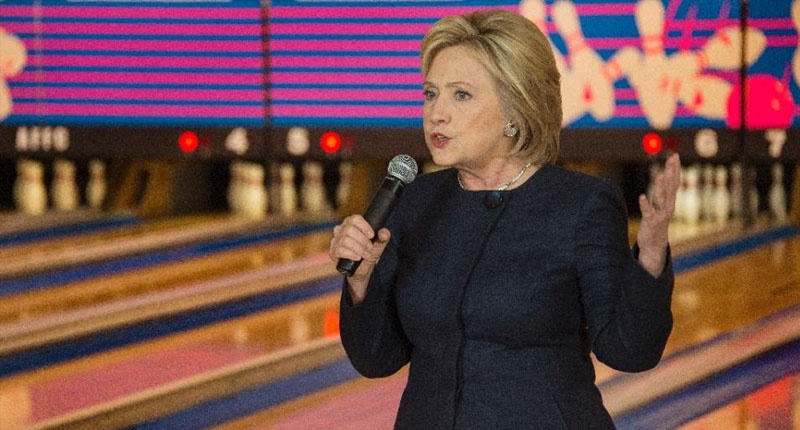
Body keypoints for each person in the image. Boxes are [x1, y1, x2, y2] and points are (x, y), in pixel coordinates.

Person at [328, 9, 680, 429]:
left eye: (461, 95)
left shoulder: (581, 204)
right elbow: (376, 359)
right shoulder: (415, 200)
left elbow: (630, 351)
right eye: (430, 94)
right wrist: (361, 283)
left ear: (516, 108)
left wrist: (652, 254)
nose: (437, 113)